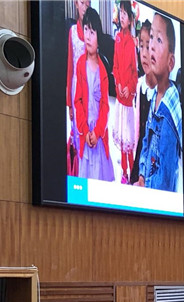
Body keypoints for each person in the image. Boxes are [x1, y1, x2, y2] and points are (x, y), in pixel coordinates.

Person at [137, 12, 182, 192]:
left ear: (171, 62)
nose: (152, 47)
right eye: (151, 38)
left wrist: (146, 188)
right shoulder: (156, 94)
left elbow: (165, 180)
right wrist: (141, 177)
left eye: (159, 40)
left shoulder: (170, 110)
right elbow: (146, 143)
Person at [73, 7, 115, 181]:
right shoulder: (80, 64)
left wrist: (97, 133)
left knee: (100, 178)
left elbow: (105, 105)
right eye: (86, 30)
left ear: (99, 37)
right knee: (85, 177)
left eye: (92, 32)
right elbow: (77, 101)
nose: (88, 36)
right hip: (85, 133)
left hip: (98, 134)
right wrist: (85, 131)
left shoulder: (103, 69)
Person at [111, 0, 138, 184]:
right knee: (121, 137)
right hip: (120, 97)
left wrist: (129, 86)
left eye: (125, 14)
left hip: (128, 99)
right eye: (120, 13)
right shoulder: (118, 39)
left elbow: (135, 72)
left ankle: (131, 169)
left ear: (130, 19)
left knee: (128, 137)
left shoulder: (132, 43)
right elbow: (115, 66)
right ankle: (124, 171)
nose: (122, 17)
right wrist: (119, 83)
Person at [130, 20, 157, 185]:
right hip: (139, 156)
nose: (144, 54)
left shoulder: (161, 92)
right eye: (141, 46)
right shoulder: (140, 85)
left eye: (149, 47)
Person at [66, 0, 90, 176]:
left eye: (88, 3)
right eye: (82, 2)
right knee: (77, 129)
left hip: (90, 87)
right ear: (76, 4)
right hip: (76, 88)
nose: (85, 6)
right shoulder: (73, 31)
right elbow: (70, 67)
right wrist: (69, 103)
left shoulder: (92, 32)